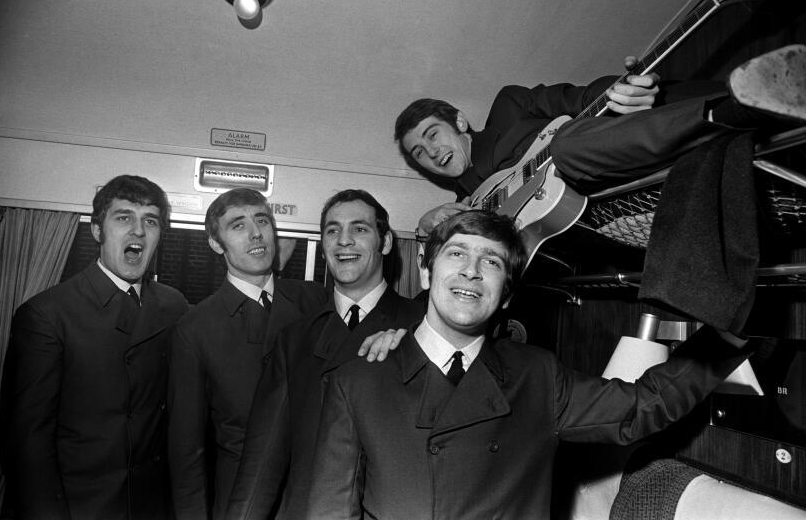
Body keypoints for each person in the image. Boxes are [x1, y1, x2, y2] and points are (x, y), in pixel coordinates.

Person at [305, 209, 753, 520]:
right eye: (457, 253)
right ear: (426, 272)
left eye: (492, 262)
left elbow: (642, 407)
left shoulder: (537, 375)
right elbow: (330, 510)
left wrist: (728, 338)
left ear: (507, 294)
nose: (471, 272)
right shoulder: (357, 380)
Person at [396, 45, 806, 239]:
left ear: (460, 121)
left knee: (564, 148)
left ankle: (735, 112)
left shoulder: (509, 106)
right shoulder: (465, 208)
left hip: (610, 149)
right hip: (598, 219)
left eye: (431, 134)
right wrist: (427, 225)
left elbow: (580, 98)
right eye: (419, 152)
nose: (430, 152)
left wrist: (625, 92)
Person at [225, 189, 425, 520]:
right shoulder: (294, 340)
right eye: (332, 231)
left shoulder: (422, 328)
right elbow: (261, 464)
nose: (343, 240)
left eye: (359, 229)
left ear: (386, 242)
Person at [0, 174, 190, 520]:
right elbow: (27, 446)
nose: (138, 231)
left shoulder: (174, 306)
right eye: (123, 217)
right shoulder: (47, 315)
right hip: (81, 507)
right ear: (97, 231)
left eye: (150, 221)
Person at [167, 189, 327, 520]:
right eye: (237, 225)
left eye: (262, 220)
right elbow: (187, 450)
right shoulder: (195, 328)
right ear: (216, 243)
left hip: (315, 496)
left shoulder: (317, 302)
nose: (256, 233)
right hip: (238, 500)